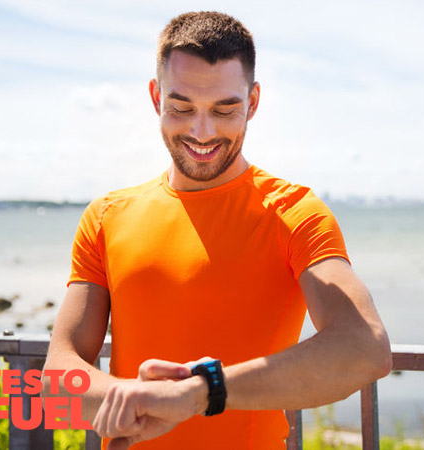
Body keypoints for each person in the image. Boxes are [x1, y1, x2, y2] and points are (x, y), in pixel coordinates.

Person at [42, 11, 391, 450]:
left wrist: (200, 393)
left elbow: (364, 348)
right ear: (155, 97)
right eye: (181, 107)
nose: (201, 131)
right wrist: (133, 397)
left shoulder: (294, 213)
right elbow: (58, 376)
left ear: (254, 102)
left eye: (225, 109)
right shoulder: (107, 215)